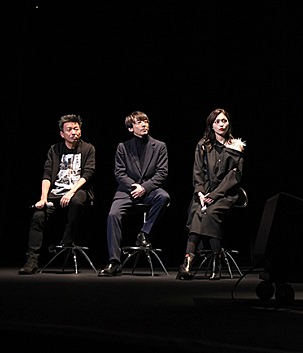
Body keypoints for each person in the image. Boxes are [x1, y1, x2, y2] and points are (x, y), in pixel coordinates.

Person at [19, 114, 96, 275]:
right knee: (38, 216)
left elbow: (87, 174)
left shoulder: (88, 148)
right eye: (69, 129)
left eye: (76, 128)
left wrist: (71, 192)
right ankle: (31, 261)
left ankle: (67, 239)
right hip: (56, 192)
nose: (74, 132)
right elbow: (47, 176)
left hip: (78, 190)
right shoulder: (54, 149)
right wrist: (43, 198)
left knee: (76, 201)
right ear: (62, 133)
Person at [176, 108, 245, 280]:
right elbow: (197, 172)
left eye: (224, 121)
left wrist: (214, 195)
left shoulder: (236, 146)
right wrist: (200, 193)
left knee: (209, 214)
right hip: (204, 192)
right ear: (211, 125)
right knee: (198, 212)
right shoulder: (203, 145)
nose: (221, 124)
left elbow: (234, 176)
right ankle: (189, 260)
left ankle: (213, 259)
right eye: (217, 121)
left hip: (226, 193)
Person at [98, 111, 170, 277]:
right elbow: (119, 173)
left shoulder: (159, 146)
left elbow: (162, 173)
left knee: (164, 197)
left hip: (149, 190)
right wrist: (134, 186)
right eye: (139, 122)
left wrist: (144, 187)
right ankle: (114, 261)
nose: (144, 125)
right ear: (131, 128)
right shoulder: (123, 147)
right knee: (113, 214)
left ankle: (144, 233)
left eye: (146, 121)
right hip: (127, 191)